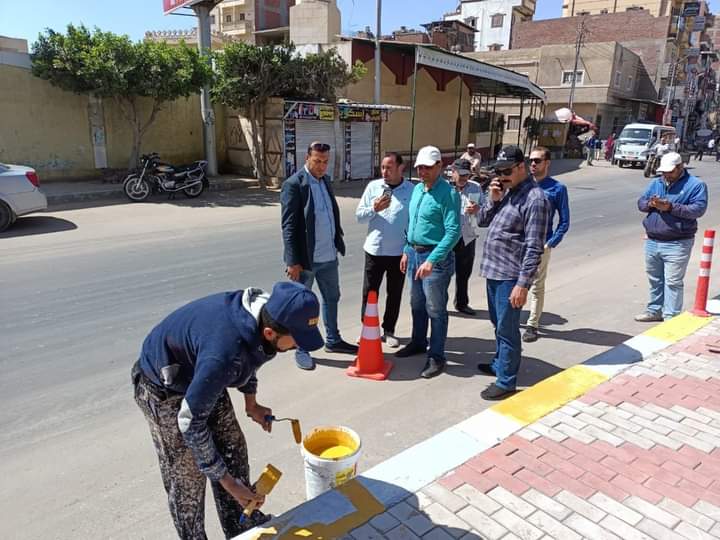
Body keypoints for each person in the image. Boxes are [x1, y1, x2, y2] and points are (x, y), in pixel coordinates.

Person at [132, 281, 323, 539]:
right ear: (269, 332)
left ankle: (240, 525)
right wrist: (229, 484)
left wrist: (251, 403)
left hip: (202, 371)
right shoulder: (224, 355)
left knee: (232, 446)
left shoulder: (269, 314)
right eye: (297, 341)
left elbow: (253, 355)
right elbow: (189, 422)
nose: (299, 347)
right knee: (188, 476)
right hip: (162, 386)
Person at [476, 145, 550, 400]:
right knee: (498, 325)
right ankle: (500, 364)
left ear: (521, 167)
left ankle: (506, 381)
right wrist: (493, 198)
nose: (502, 176)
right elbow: (482, 221)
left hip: (510, 276)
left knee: (507, 330)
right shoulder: (507, 192)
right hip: (494, 272)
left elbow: (534, 246)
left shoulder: (535, 199)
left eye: (506, 171)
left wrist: (523, 284)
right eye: (499, 172)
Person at [280, 141, 358, 370]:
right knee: (302, 307)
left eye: (325, 162)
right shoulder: (294, 184)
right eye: (317, 161)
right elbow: (289, 226)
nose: (322, 166)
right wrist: (292, 261)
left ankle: (333, 340)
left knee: (332, 298)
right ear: (307, 158)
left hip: (328, 256)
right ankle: (301, 348)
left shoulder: (325, 181)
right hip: (306, 260)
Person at [395, 145, 461, 379]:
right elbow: (412, 224)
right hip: (414, 254)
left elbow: (453, 232)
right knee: (416, 303)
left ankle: (437, 356)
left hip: (435, 258)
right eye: (419, 167)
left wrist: (432, 260)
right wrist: (406, 250)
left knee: (435, 308)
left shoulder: (448, 194)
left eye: (427, 167)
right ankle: (418, 341)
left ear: (439, 166)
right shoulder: (417, 190)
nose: (422, 171)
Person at [635, 152, 708, 322]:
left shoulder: (695, 185)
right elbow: (641, 202)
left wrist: (670, 207)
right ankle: (654, 310)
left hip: (677, 242)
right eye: (664, 172)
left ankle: (671, 317)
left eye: (670, 171)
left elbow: (697, 210)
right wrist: (650, 204)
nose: (666, 175)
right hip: (653, 240)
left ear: (680, 167)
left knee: (673, 281)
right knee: (655, 279)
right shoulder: (657, 182)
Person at [355, 152, 414, 347]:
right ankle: (367, 329)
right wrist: (374, 209)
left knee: (394, 292)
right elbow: (359, 216)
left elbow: (414, 223)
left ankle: (389, 330)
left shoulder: (411, 190)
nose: (385, 171)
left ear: (400, 168)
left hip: (398, 253)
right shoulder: (374, 187)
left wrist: (409, 248)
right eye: (382, 167)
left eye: (389, 167)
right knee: (370, 292)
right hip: (374, 250)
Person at [523, 147, 570, 343]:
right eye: (531, 161)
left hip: (541, 244)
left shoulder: (557, 189)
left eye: (537, 161)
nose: (533, 164)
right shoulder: (523, 186)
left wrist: (551, 242)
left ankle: (532, 324)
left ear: (547, 163)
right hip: (519, 243)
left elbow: (565, 220)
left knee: (536, 286)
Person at [450, 158, 485, 315]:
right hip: (446, 237)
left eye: (467, 174)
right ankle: (437, 305)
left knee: (464, 273)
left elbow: (485, 210)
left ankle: (462, 303)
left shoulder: (476, 188)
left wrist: (478, 209)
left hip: (467, 236)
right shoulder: (444, 188)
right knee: (442, 274)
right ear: (453, 173)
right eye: (461, 174)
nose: (464, 178)